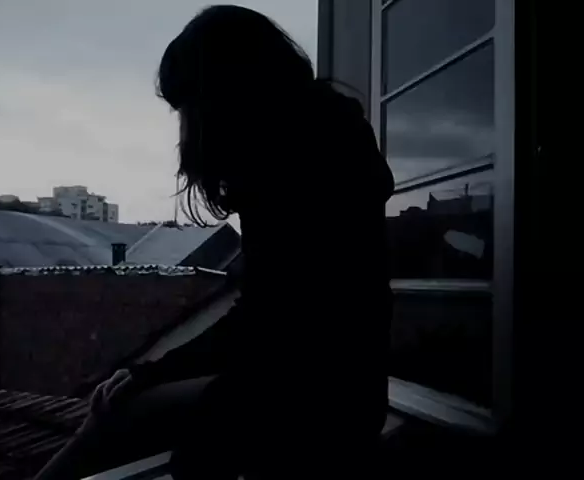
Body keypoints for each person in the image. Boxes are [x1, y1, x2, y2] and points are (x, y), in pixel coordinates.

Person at [34, 5, 394, 479]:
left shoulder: (288, 163)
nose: (187, 127)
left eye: (188, 105)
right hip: (347, 394)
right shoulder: (324, 139)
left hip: (312, 401)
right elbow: (280, 311)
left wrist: (151, 373)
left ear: (226, 93)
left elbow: (268, 320)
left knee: (114, 413)